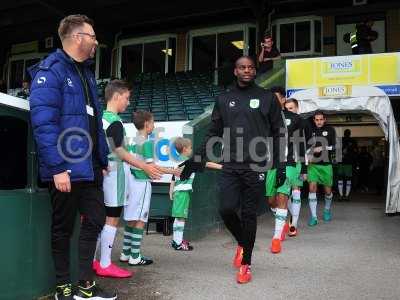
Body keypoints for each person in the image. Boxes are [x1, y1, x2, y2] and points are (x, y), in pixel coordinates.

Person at [29, 15, 116, 300]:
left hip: (90, 168)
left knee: (96, 219)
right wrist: (57, 168)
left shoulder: (87, 73)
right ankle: (63, 286)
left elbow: (95, 121)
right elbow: (44, 125)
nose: (95, 41)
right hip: (65, 168)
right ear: (78, 37)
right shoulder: (50, 71)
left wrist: (102, 161)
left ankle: (85, 285)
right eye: (92, 36)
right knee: (63, 228)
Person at [180, 56, 285, 284]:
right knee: (226, 209)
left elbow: (279, 133)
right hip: (230, 164)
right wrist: (196, 159)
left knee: (248, 214)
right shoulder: (225, 98)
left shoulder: (267, 98)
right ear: (235, 71)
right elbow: (214, 132)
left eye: (250, 67)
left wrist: (280, 164)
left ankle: (246, 264)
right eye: (242, 67)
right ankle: (243, 242)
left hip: (256, 165)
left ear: (255, 71)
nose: (246, 71)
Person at [93, 80, 164, 278]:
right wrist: (144, 166)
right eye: (126, 98)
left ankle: (93, 261)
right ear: (116, 96)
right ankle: (106, 263)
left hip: (103, 175)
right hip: (115, 177)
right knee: (112, 219)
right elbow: (119, 151)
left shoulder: (99, 118)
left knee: (98, 220)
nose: (128, 102)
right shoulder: (115, 121)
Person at [119, 111, 180, 266]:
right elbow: (150, 167)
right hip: (141, 183)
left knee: (131, 219)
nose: (154, 125)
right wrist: (172, 171)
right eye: (153, 122)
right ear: (146, 124)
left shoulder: (133, 141)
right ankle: (135, 256)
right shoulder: (146, 142)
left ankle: (126, 253)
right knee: (140, 220)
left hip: (131, 183)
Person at [266, 96, 307, 254]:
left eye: (277, 97)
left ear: (282, 99)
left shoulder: (295, 119)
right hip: (270, 165)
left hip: (289, 163)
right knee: (271, 201)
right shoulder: (266, 117)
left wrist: (303, 167)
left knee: (283, 197)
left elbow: (301, 143)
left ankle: (277, 238)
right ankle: (283, 223)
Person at [169, 137, 222, 251]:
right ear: (184, 149)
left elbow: (173, 177)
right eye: (190, 148)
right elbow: (207, 164)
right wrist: (222, 167)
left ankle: (175, 241)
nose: (191, 150)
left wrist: (171, 190)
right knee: (181, 218)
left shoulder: (177, 161)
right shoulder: (190, 162)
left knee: (178, 218)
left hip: (178, 192)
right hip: (182, 193)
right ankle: (178, 243)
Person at [306, 111, 336, 226]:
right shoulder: (310, 131)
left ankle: (327, 210)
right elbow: (306, 147)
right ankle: (314, 217)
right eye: (316, 120)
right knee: (312, 188)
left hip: (326, 165)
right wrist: (309, 153)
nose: (319, 122)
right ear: (314, 120)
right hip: (313, 165)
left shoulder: (330, 130)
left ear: (324, 120)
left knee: (327, 191)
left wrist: (322, 148)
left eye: (321, 119)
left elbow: (335, 146)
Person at [284, 98, 309, 236]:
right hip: (283, 162)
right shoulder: (281, 123)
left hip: (297, 162)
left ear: (297, 108)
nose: (289, 111)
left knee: (295, 190)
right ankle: (292, 218)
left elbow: (303, 146)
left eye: (291, 108)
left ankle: (293, 225)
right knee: (284, 193)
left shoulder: (301, 122)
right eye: (286, 109)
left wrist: (304, 169)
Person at [337, 129, 357, 201]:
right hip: (348, 163)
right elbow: (355, 152)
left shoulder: (340, 140)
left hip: (342, 163)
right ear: (349, 133)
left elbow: (336, 151)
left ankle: (341, 195)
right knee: (347, 180)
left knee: (341, 179)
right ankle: (346, 196)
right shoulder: (353, 141)